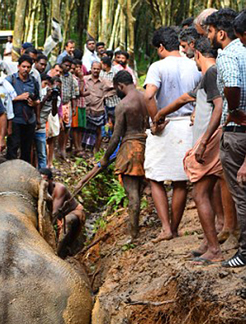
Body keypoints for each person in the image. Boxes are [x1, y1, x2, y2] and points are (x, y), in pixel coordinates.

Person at [155, 37, 233, 264]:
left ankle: (214, 250)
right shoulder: (210, 75)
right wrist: (161, 114)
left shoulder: (211, 73)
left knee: (200, 194)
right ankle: (214, 236)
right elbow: (184, 98)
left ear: (198, 54)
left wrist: (203, 141)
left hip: (207, 142)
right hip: (212, 140)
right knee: (211, 189)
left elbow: (218, 106)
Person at [143, 26, 201, 243]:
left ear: (160, 47)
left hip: (166, 125)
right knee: (179, 180)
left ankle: (166, 228)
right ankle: (174, 228)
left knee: (155, 177)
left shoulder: (157, 67)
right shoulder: (193, 64)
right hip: (188, 125)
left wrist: (156, 121)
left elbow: (149, 96)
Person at [206, 9, 246, 267]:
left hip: (237, 133)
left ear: (221, 33)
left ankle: (244, 251)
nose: (208, 36)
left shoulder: (229, 55)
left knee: (241, 195)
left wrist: (235, 111)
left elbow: (232, 84)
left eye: (209, 31)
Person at [99, 70, 149, 239]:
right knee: (142, 188)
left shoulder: (124, 105)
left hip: (131, 149)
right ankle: (136, 225)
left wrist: (105, 158)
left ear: (120, 86)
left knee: (132, 193)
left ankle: (133, 234)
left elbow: (116, 136)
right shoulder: (146, 98)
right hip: (148, 145)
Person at [41, 168, 85, 257]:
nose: (43, 183)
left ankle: (58, 253)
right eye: (41, 181)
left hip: (73, 212)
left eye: (45, 180)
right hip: (59, 216)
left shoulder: (59, 189)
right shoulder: (40, 189)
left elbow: (55, 212)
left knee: (67, 221)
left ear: (51, 180)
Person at [6, 54, 40, 163]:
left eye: (28, 67)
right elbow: (3, 100)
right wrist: (18, 98)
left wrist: (34, 103)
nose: (26, 69)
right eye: (23, 66)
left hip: (29, 119)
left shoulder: (33, 81)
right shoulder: (10, 80)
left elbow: (38, 99)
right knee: (13, 146)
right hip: (15, 119)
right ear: (18, 66)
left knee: (27, 148)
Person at [82, 61, 114, 153]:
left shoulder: (104, 81)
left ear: (100, 70)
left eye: (98, 69)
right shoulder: (85, 79)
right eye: (94, 68)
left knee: (98, 131)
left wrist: (106, 95)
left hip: (98, 110)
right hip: (87, 110)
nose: (96, 70)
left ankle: (96, 149)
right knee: (84, 130)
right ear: (91, 69)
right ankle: (83, 149)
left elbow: (115, 88)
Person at [58, 56, 79, 160]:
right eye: (65, 65)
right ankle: (58, 148)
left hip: (68, 104)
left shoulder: (70, 76)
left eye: (69, 66)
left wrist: (74, 106)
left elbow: (73, 93)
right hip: (59, 104)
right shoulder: (58, 75)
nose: (67, 67)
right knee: (59, 127)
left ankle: (63, 148)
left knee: (67, 127)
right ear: (62, 65)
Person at [100, 56, 120, 131]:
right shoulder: (101, 73)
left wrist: (110, 86)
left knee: (116, 121)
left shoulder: (116, 72)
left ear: (105, 65)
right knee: (106, 121)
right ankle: (107, 135)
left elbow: (118, 85)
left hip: (115, 102)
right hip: (105, 102)